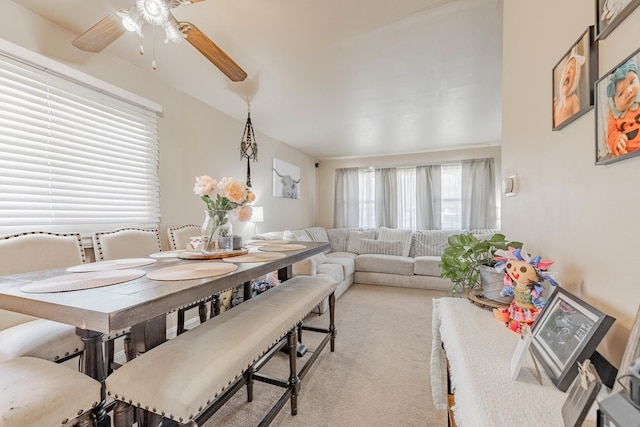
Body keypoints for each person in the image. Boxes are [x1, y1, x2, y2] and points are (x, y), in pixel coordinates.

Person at [606, 58, 640, 157]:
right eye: (620, 93)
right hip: (625, 154)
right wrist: (616, 139)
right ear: (615, 102)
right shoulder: (614, 115)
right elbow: (611, 133)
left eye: (632, 82)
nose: (628, 91)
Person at [554, 46, 585, 127]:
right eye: (566, 69)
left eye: (572, 68)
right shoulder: (558, 105)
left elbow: (578, 120)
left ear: (575, 79)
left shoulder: (573, 98)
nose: (567, 71)